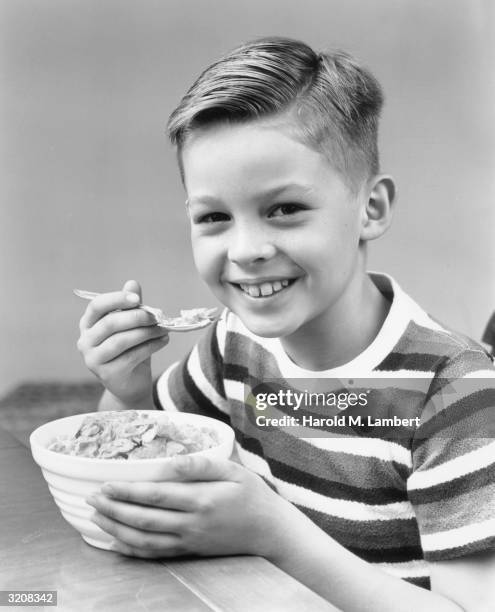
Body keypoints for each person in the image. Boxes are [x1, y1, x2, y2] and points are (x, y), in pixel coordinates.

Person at [78, 37, 495, 610]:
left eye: (285, 209)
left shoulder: (458, 395)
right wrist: (126, 393)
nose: (246, 249)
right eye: (214, 217)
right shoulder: (234, 341)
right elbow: (144, 481)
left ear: (370, 209)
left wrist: (274, 535)